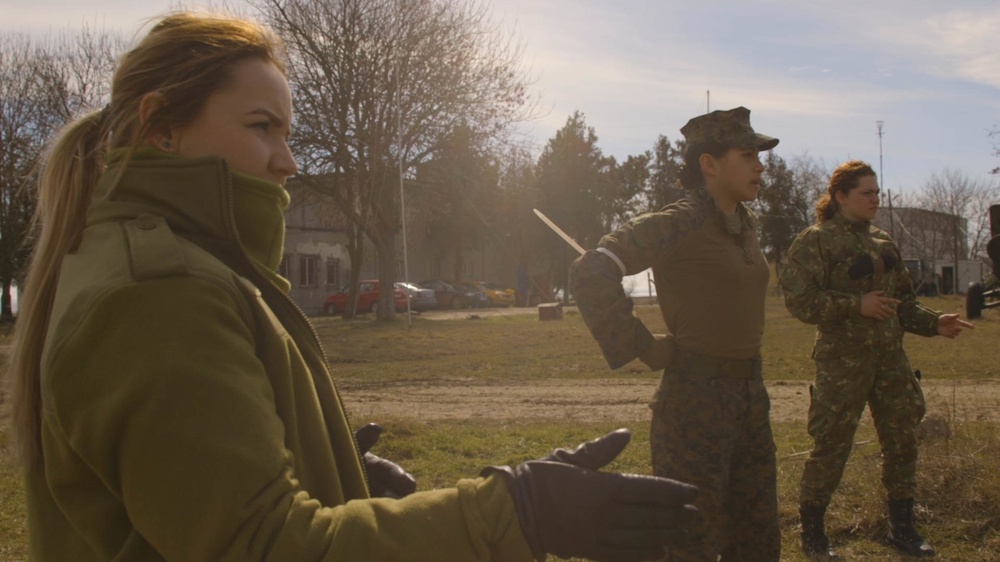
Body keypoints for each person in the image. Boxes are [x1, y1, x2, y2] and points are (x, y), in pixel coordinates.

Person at [4, 12, 701, 561]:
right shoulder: (156, 294)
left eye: (289, 130)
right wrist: (520, 509)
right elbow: (269, 548)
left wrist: (331, 469)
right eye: (262, 127)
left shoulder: (177, 266)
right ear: (160, 126)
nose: (289, 160)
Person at [571, 106, 781, 561]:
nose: (760, 165)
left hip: (750, 395)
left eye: (759, 156)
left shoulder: (744, 223)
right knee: (691, 541)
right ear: (709, 163)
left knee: (757, 536)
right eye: (747, 155)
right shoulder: (681, 220)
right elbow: (592, 271)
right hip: (695, 402)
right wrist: (643, 346)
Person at [779, 160, 975, 560]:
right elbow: (799, 301)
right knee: (832, 444)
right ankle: (814, 533)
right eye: (866, 192)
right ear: (840, 196)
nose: (875, 199)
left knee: (902, 440)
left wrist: (935, 323)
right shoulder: (815, 241)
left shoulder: (884, 241)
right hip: (842, 362)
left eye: (877, 192)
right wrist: (856, 305)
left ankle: (901, 528)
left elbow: (903, 303)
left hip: (890, 359)